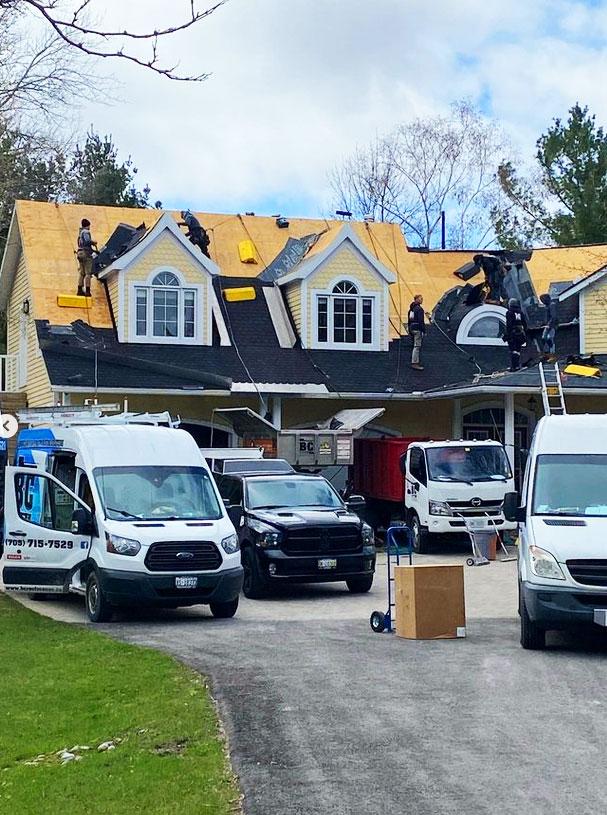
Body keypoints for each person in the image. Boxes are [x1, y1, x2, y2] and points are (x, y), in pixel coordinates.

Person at [504, 298, 527, 372]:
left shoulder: (509, 312)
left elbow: (509, 324)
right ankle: (517, 366)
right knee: (518, 350)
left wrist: (508, 334)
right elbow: (524, 324)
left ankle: (513, 367)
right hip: (520, 334)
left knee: (513, 350)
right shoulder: (521, 312)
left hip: (513, 334)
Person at [76, 218, 97, 296]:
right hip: (86, 254)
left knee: (82, 273)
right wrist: (93, 242)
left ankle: (79, 290)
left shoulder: (80, 233)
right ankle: (88, 291)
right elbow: (87, 241)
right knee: (88, 273)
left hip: (80, 253)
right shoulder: (86, 232)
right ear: (88, 225)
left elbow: (80, 243)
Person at [408, 294, 426, 371]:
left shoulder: (411, 309)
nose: (422, 300)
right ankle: (415, 363)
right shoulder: (419, 309)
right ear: (416, 299)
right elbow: (421, 321)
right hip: (417, 329)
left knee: (414, 345)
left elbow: (409, 320)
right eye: (420, 298)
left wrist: (409, 329)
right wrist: (424, 330)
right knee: (417, 346)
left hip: (412, 328)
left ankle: (414, 361)